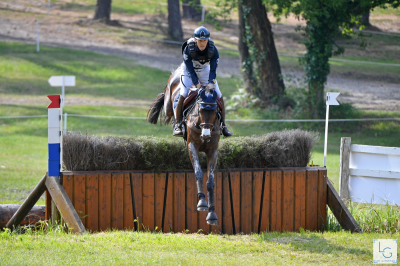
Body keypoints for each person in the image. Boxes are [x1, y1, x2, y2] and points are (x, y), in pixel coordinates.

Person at [173, 26, 233, 137]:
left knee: (219, 96)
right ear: (195, 40)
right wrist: (197, 84)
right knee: (183, 94)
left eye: (204, 40)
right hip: (188, 71)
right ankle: (177, 125)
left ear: (208, 40)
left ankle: (223, 126)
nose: (202, 43)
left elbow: (213, 69)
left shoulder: (213, 50)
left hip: (205, 71)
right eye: (200, 40)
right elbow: (190, 70)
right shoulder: (188, 49)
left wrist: (210, 84)